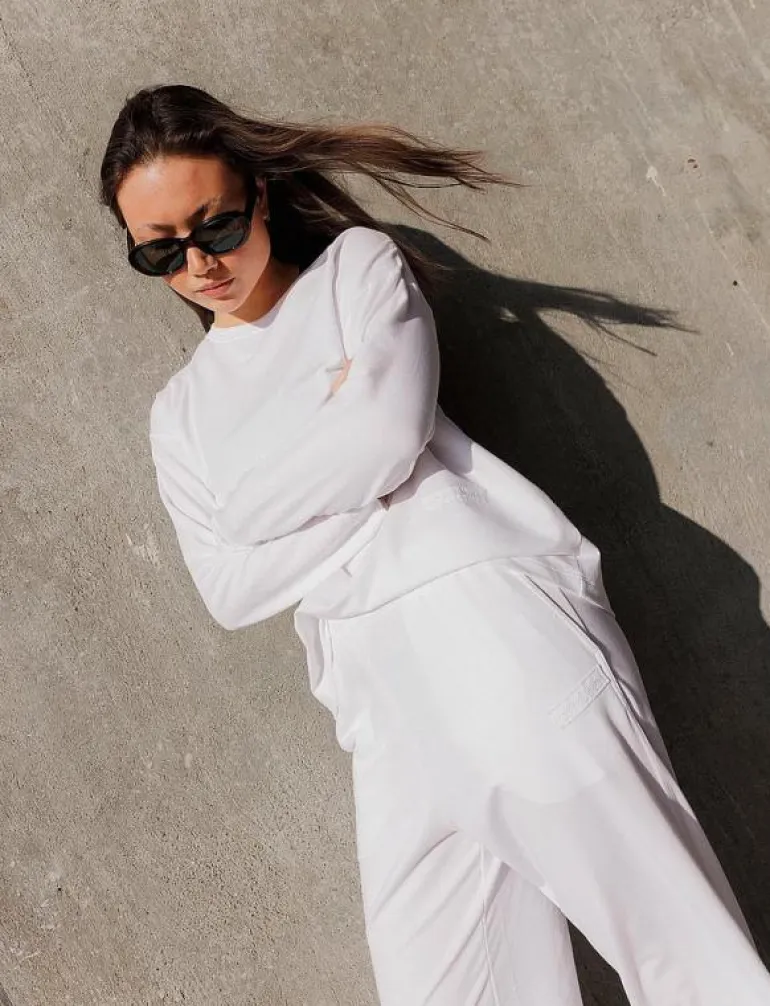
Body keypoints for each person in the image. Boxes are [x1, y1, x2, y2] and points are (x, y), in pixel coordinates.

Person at [100, 84, 770, 1005]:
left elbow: (386, 433)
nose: (199, 263)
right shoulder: (178, 414)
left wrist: (252, 506)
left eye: (215, 226)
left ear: (260, 195)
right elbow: (229, 589)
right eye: (161, 251)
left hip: (491, 622)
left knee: (684, 958)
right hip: (376, 702)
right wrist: (344, 458)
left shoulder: (355, 270)